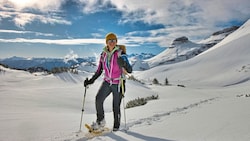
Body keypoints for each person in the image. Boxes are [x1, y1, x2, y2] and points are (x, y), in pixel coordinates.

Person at [84, 33, 132, 131]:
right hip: (107, 82)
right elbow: (99, 70)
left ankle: (116, 128)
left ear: (116, 42)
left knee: (115, 106)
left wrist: (124, 63)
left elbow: (130, 69)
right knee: (98, 99)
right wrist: (91, 80)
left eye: (114, 40)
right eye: (110, 40)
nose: (112, 42)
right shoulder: (103, 55)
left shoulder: (121, 54)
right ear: (106, 42)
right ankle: (100, 122)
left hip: (118, 83)